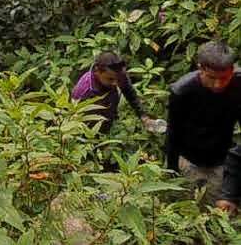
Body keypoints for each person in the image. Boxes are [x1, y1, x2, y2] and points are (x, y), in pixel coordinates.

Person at [165, 40, 241, 204]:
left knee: (221, 212)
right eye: (212, 78)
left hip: (222, 161)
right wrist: (171, 171)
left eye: (224, 78)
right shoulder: (182, 91)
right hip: (188, 160)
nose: (218, 84)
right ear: (201, 68)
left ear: (232, 70)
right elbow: (173, 133)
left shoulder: (238, 84)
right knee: (187, 209)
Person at [71, 51, 152, 134]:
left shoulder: (118, 73)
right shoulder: (83, 90)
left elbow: (130, 93)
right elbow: (74, 118)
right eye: (110, 79)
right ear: (97, 71)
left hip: (110, 111)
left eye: (118, 80)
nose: (116, 84)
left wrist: (143, 116)